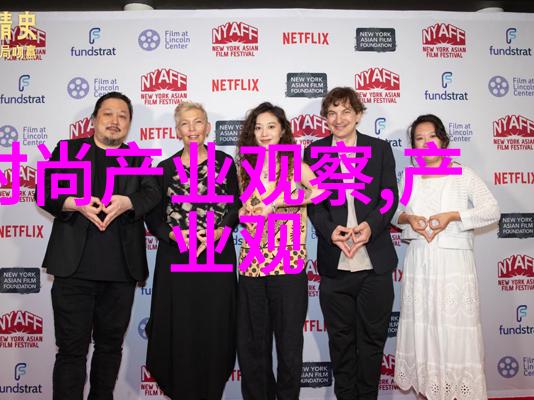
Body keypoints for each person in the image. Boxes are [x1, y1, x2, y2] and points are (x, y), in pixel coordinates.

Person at [38, 91, 161, 400]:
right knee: (71, 351)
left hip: (120, 274)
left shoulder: (139, 159)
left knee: (109, 349)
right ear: (93, 119)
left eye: (123, 116)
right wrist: (75, 203)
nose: (115, 121)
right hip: (73, 272)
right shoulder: (68, 150)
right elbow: (44, 190)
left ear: (129, 124)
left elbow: (152, 194)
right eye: (108, 114)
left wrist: (128, 202)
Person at [392, 114, 500, 400]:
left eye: (431, 136)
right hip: (420, 263)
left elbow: (492, 210)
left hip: (453, 266)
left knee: (455, 331)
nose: (426, 143)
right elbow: (394, 213)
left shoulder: (463, 174)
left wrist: (453, 215)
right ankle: (427, 393)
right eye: (419, 138)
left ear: (442, 140)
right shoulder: (410, 177)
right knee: (423, 331)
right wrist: (409, 219)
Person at [303, 87, 399, 400]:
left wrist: (371, 226)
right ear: (325, 118)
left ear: (358, 115)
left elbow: (389, 196)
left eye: (346, 111)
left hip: (374, 266)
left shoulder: (379, 149)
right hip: (335, 266)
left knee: (372, 345)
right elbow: (313, 203)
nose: (339, 119)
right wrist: (329, 230)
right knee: (341, 345)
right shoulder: (314, 152)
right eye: (332, 113)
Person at [144, 101, 240, 400]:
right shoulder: (164, 169)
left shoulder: (225, 163)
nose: (192, 129)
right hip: (176, 259)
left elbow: (236, 206)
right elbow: (154, 218)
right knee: (179, 327)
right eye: (185, 123)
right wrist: (175, 235)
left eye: (198, 122)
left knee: (216, 327)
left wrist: (219, 232)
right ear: (177, 130)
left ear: (208, 127)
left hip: (217, 256)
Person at [236, 102, 324, 400]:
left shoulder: (294, 163)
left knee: (289, 348)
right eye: (258, 127)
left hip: (288, 266)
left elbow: (321, 190)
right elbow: (241, 208)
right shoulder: (244, 167)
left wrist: (278, 201)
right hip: (252, 266)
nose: (264, 133)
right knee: (253, 349)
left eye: (271, 126)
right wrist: (244, 211)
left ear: (283, 130)